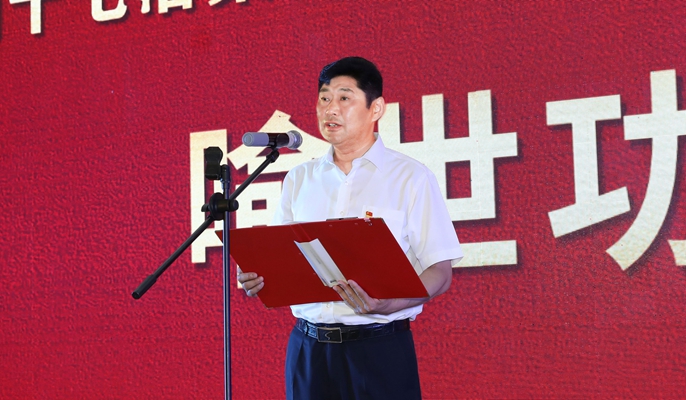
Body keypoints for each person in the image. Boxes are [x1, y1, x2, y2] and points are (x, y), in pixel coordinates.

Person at [237, 56, 463, 400]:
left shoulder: (411, 177)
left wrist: (390, 304)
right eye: (324, 98)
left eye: (345, 98)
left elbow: (440, 272)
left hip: (379, 349)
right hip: (308, 350)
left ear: (376, 108)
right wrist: (258, 276)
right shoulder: (300, 178)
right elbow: (281, 256)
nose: (330, 109)